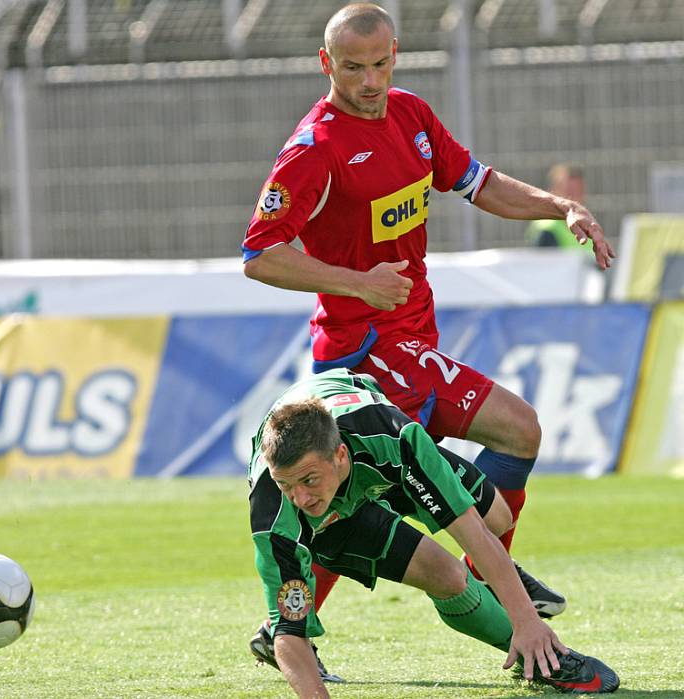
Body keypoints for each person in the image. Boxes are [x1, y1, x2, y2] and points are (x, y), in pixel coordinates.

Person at [242, 2, 616, 675]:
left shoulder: (412, 117)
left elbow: (480, 184)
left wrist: (558, 206)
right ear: (327, 64)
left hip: (413, 335)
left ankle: (293, 626)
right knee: (460, 460)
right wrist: (356, 281)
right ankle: (302, 622)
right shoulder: (314, 149)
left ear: (396, 54)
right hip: (363, 347)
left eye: (380, 64)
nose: (369, 81)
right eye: (353, 67)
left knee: (486, 458)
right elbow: (260, 254)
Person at [248, 368, 619, 697]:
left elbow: (473, 533)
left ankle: (502, 594)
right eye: (287, 484)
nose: (299, 497)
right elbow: (289, 634)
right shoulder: (276, 515)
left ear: (340, 456)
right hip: (336, 520)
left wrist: (529, 620)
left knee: (496, 519)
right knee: (446, 576)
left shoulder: (399, 440)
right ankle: (541, 658)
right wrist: (522, 628)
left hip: (383, 460)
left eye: (309, 479)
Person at [525, 163, 594, 254]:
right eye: (569, 191)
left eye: (579, 191)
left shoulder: (589, 228)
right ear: (553, 192)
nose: (574, 198)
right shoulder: (547, 229)